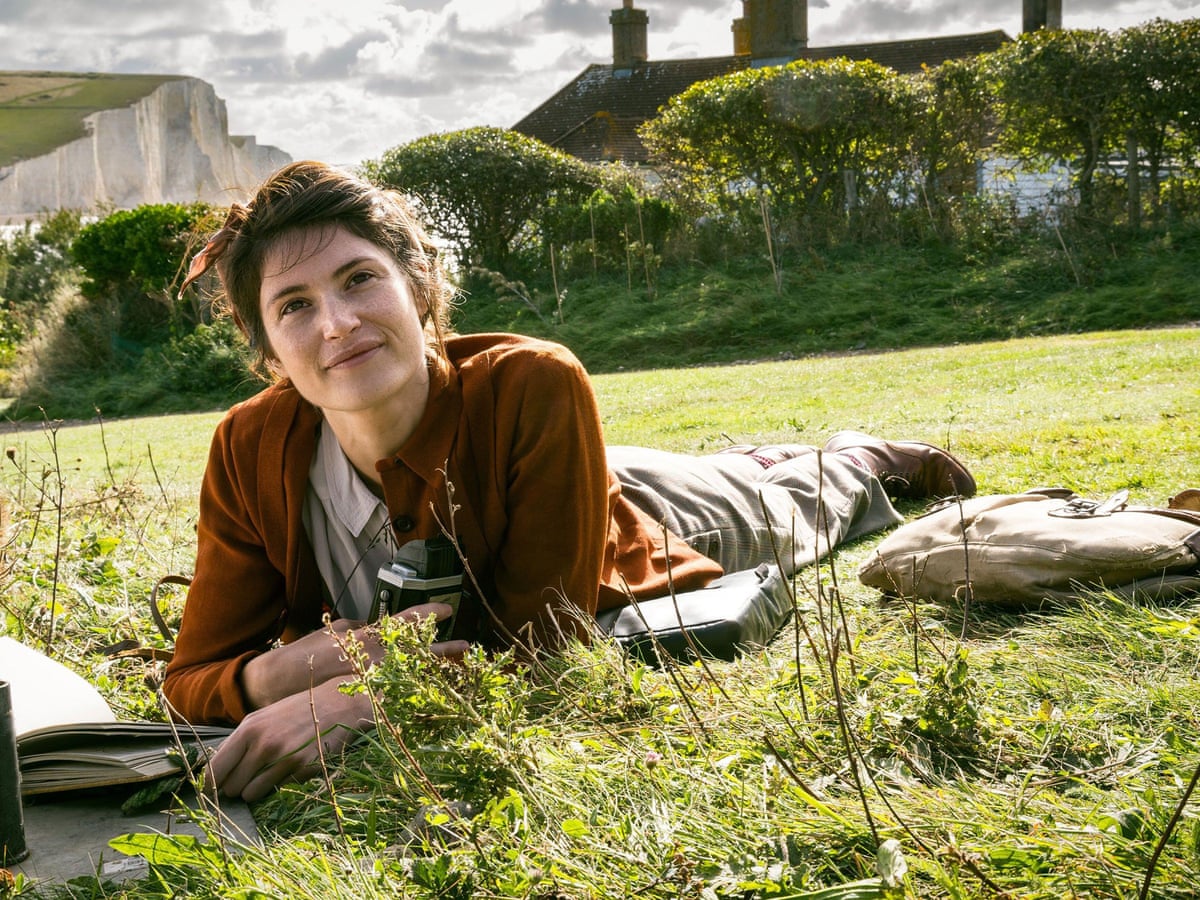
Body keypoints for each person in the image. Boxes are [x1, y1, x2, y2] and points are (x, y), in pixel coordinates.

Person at [164, 160, 975, 802]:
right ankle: (763, 453)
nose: (336, 324)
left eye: (358, 279)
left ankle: (859, 455)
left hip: (635, 536)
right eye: (295, 306)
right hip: (565, 475)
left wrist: (366, 701)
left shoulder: (536, 382)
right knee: (711, 466)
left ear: (416, 287)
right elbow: (190, 680)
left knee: (785, 504)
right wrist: (275, 676)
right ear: (268, 348)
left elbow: (544, 644)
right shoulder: (248, 447)